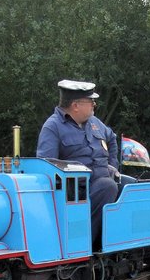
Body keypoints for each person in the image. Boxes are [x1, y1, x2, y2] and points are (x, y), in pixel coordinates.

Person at [37, 79, 132, 245]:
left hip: (104, 181)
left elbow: (111, 140)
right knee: (107, 187)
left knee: (131, 187)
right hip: (76, 192)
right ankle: (84, 244)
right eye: (91, 101)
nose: (94, 105)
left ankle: (121, 242)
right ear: (76, 105)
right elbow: (46, 167)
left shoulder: (95, 123)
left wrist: (113, 166)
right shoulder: (52, 127)